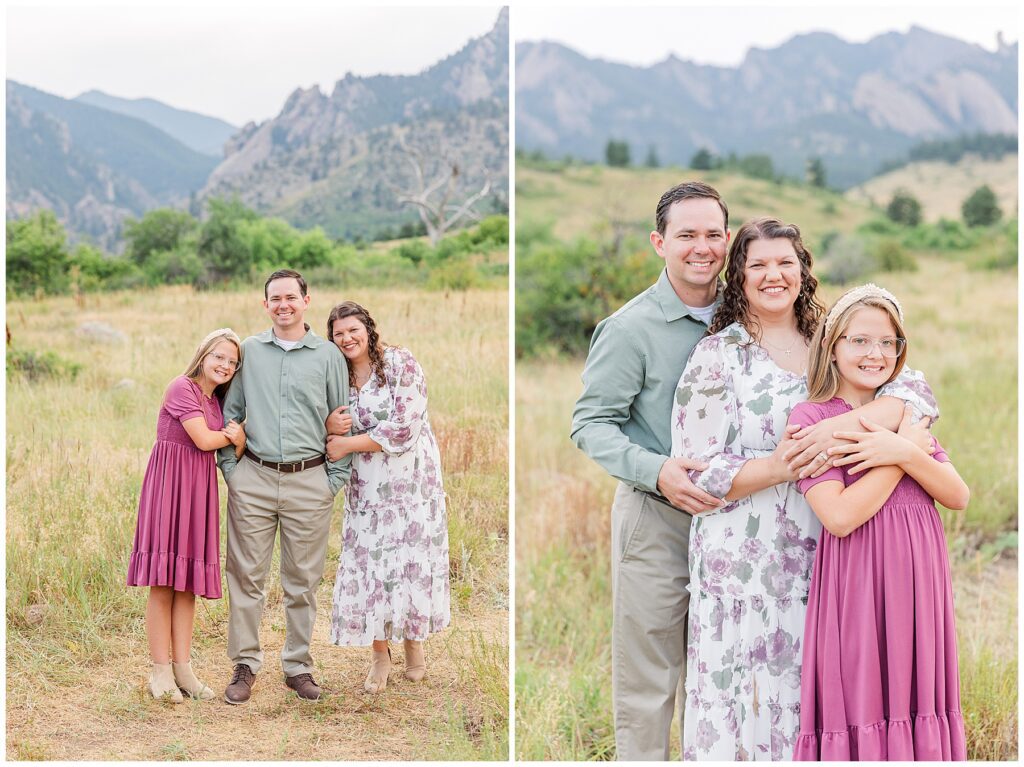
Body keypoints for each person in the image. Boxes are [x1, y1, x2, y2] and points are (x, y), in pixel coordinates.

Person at [670, 219, 939, 759]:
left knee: (818, 705)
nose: (774, 275)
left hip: (830, 556)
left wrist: (834, 430)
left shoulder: (830, 337)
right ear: (738, 276)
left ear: (803, 271)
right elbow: (696, 474)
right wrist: (778, 465)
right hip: (743, 566)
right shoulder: (719, 356)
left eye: (786, 263)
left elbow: (915, 391)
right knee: (740, 706)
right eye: (759, 264)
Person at [571, 181, 732, 760]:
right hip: (658, 518)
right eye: (686, 234)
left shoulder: (750, 317)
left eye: (713, 234)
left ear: (728, 239)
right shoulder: (629, 328)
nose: (701, 246)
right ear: (658, 242)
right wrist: (658, 469)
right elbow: (590, 424)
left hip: (740, 522)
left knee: (721, 674)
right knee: (650, 681)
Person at [790, 285, 968, 761]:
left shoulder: (909, 412)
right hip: (861, 582)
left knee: (917, 691)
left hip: (919, 581)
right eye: (860, 341)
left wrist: (906, 447)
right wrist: (899, 455)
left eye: (888, 343)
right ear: (833, 346)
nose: (876, 354)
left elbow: (957, 494)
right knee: (865, 690)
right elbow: (841, 517)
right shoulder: (812, 417)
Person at [217, 269, 351, 704]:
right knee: (246, 576)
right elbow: (230, 413)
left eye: (291, 297)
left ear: (306, 301)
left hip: (310, 480)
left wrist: (332, 481)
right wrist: (232, 473)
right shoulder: (250, 352)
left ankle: (297, 666)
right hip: (253, 478)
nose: (283, 305)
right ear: (265, 305)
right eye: (275, 298)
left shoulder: (329, 356)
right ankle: (245, 664)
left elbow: (342, 417)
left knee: (302, 581)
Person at [323, 301, 450, 693]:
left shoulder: (398, 363)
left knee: (411, 562)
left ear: (368, 328)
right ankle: (379, 655)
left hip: (413, 485)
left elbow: (405, 428)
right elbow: (324, 423)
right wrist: (330, 427)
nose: (346, 338)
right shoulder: (336, 377)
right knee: (371, 568)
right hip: (367, 489)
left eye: (352, 330)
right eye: (338, 333)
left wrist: (346, 445)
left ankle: (415, 646)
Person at [127, 328, 246, 702]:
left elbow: (233, 452)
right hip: (169, 487)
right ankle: (159, 671)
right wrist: (236, 436)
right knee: (163, 582)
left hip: (197, 491)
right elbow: (204, 440)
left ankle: (184, 670)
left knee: (187, 584)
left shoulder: (217, 402)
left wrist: (238, 439)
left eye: (232, 361)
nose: (224, 365)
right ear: (203, 355)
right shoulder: (182, 387)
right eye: (219, 357)